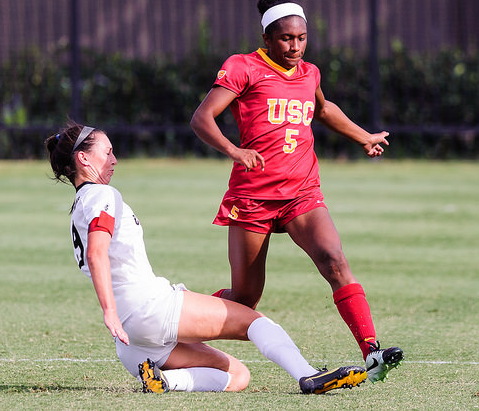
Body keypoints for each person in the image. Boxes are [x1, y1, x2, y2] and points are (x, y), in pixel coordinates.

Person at [45, 121, 368, 394]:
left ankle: (165, 381)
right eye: (107, 151)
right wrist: (109, 312)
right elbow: (97, 252)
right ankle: (307, 375)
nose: (114, 159)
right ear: (84, 159)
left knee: (237, 376)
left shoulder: (80, 204)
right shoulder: (102, 194)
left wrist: (117, 317)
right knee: (254, 321)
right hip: (149, 311)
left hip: (132, 345)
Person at [190, 0, 403, 383]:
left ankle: (372, 351)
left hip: (302, 192)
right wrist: (234, 150)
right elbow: (202, 118)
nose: (295, 46)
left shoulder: (310, 73)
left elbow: (323, 109)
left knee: (334, 260)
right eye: (286, 38)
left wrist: (364, 136)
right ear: (267, 38)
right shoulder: (243, 67)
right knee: (246, 299)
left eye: (301, 38)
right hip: (253, 196)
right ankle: (178, 313)